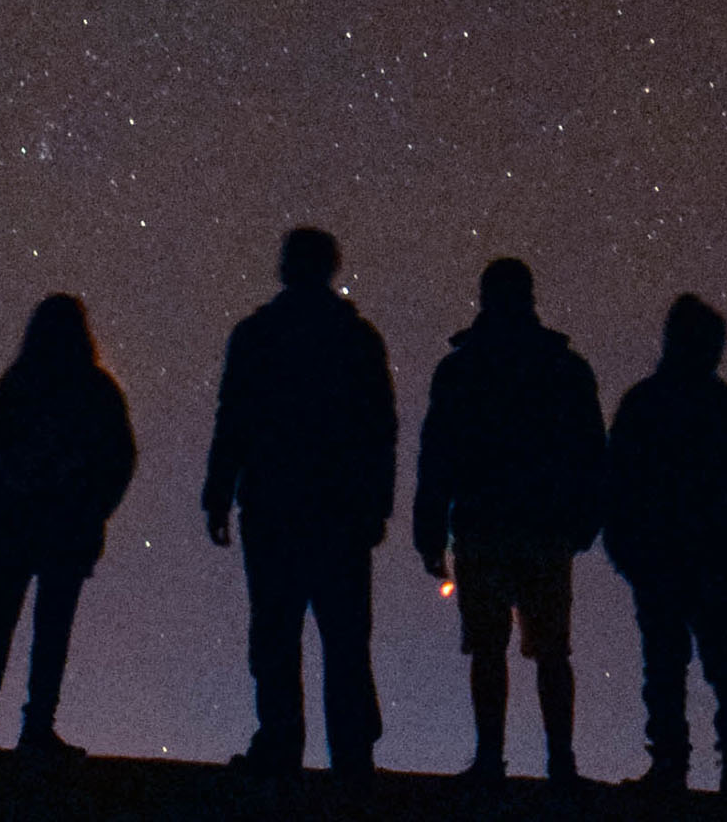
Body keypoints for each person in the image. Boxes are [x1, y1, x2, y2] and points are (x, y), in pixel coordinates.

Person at [204, 227, 398, 781]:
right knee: (344, 636)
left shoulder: (257, 335)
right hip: (339, 511)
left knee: (275, 632)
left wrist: (219, 492)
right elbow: (380, 427)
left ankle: (280, 744)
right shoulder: (357, 338)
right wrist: (376, 503)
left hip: (274, 506)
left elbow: (233, 418)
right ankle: (352, 753)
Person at [414, 258, 605, 784]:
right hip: (545, 526)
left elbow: (438, 455)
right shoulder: (562, 367)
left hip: (484, 524)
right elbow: (591, 448)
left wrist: (430, 530)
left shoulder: (462, 368)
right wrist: (587, 516)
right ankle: (560, 764)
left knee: (489, 645)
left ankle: (490, 760)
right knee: (550, 650)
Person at [0, 294, 137, 759]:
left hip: (20, 529)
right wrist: (93, 510)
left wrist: (1, 510)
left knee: (0, 625)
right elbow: (120, 460)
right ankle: (34, 728)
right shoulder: (95, 390)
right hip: (62, 533)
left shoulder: (19, 385)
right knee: (47, 632)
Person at [603, 294, 727, 795]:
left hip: (667, 557)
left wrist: (624, 547)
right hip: (698, 558)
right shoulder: (724, 408)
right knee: (715, 665)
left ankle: (674, 765)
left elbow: (618, 483)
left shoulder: (645, 403)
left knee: (670, 665)